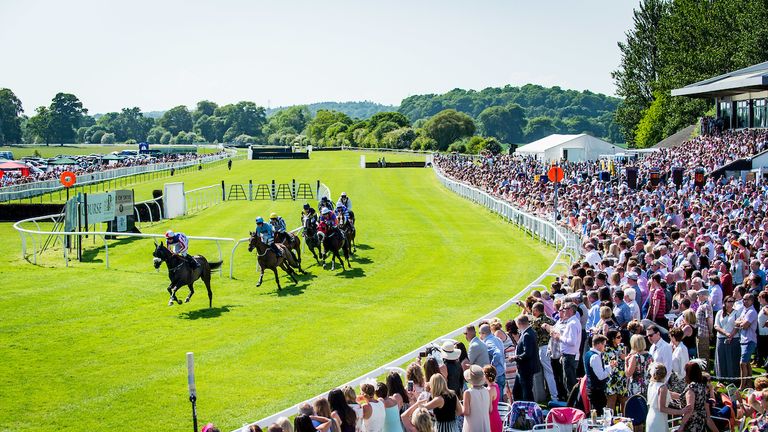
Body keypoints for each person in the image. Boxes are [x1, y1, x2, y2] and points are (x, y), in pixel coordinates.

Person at [547, 303, 581, 392]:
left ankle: (573, 403)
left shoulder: (572, 323)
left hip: (570, 356)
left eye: (565, 309)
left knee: (570, 383)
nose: (563, 311)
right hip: (571, 355)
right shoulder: (573, 322)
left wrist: (559, 337)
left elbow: (572, 342)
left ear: (570, 310)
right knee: (569, 382)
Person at [677, 361, 718, 432]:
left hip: (692, 423)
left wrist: (682, 425)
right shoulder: (701, 385)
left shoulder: (691, 387)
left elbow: (690, 408)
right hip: (701, 420)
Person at [531, 302, 559, 402]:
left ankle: (554, 396)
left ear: (537, 310)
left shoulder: (537, 321)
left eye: (533, 310)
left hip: (544, 349)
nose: (532, 312)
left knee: (549, 373)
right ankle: (553, 394)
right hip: (553, 347)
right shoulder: (551, 320)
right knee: (552, 372)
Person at [645, 363, 685, 432]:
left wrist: (683, 396)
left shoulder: (651, 384)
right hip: (659, 419)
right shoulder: (662, 387)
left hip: (650, 416)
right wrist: (680, 411)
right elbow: (662, 408)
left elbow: (670, 394)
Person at [509, 315, 539, 402]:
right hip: (524, 369)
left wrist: (515, 358)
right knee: (517, 391)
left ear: (519, 324)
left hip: (526, 369)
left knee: (526, 393)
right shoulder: (529, 332)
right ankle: (521, 410)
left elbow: (527, 353)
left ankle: (529, 412)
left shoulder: (527, 335)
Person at [584, 334, 613, 416]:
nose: (605, 347)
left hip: (592, 388)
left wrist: (608, 366)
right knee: (599, 413)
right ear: (598, 344)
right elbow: (601, 376)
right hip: (596, 390)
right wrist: (610, 368)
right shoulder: (595, 357)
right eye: (604, 344)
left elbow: (597, 369)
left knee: (595, 412)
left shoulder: (588, 353)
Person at [714, 296, 740, 385]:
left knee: (732, 358)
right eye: (729, 301)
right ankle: (721, 379)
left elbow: (738, 325)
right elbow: (716, 326)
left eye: (733, 301)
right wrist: (725, 333)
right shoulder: (719, 313)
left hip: (734, 338)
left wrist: (731, 335)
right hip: (721, 338)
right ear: (725, 302)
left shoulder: (737, 313)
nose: (731, 303)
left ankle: (733, 379)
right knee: (721, 358)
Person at [736, 293, 758, 389]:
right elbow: (736, 322)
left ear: (751, 301)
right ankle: (749, 384)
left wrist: (740, 323)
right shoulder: (745, 311)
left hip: (750, 340)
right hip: (743, 339)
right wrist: (741, 323)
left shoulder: (752, 312)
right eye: (743, 299)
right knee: (747, 362)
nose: (744, 301)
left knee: (742, 363)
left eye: (746, 299)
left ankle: (742, 385)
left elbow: (745, 325)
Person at [478, 324, 505, 396]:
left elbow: (497, 353)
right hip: (501, 373)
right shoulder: (497, 339)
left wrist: (492, 366)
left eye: (479, 333)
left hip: (495, 376)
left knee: (497, 402)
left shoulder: (488, 342)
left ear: (483, 333)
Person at [604, 329, 627, 411]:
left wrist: (625, 357)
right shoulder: (606, 349)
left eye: (621, 336)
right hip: (611, 379)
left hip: (622, 378)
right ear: (612, 339)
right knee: (611, 403)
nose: (620, 338)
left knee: (624, 402)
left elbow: (626, 360)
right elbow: (605, 363)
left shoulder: (622, 347)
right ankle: (610, 422)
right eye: (618, 337)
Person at [462, 365, 491, 432]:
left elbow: (466, 412)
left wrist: (459, 406)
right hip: (485, 426)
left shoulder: (468, 393)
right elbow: (489, 409)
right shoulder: (487, 390)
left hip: (472, 427)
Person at [668, 327, 689, 394]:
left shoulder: (682, 349)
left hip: (680, 379)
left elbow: (684, 364)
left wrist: (680, 378)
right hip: (674, 378)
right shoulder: (676, 348)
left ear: (674, 338)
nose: (670, 339)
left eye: (670, 337)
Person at [695, 289, 714, 361]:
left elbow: (709, 319)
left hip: (703, 333)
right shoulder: (702, 305)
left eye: (698, 295)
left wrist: (711, 332)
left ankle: (705, 371)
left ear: (703, 296)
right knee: (700, 354)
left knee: (703, 355)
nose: (697, 297)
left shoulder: (706, 306)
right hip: (700, 333)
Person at [483, 365, 502, 432]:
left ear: (486, 376)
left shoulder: (489, 390)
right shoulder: (496, 386)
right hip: (496, 417)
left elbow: (490, 409)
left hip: (491, 420)